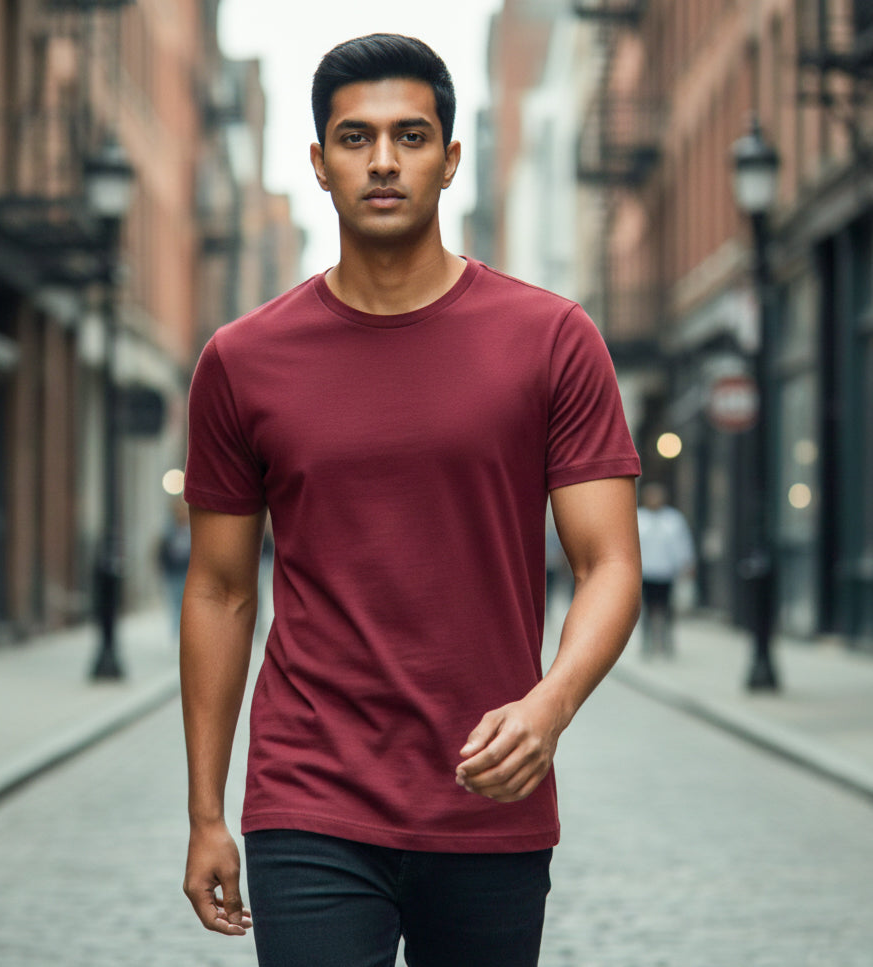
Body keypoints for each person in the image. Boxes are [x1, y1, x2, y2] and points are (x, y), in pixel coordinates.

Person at [180, 34, 642, 967]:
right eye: (354, 138)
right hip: (309, 794)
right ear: (317, 163)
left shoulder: (551, 338)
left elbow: (608, 563)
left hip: (489, 793)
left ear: (449, 158)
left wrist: (550, 706)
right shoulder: (242, 360)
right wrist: (204, 811)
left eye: (409, 135)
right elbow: (221, 590)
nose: (382, 161)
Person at [637, 482, 695, 657]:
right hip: (645, 572)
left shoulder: (673, 519)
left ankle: (666, 643)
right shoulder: (638, 518)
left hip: (666, 572)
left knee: (667, 609)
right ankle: (647, 644)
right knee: (646, 610)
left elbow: (683, 543)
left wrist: (687, 563)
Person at [157, 497, 191, 640]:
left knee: (186, 603)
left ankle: (184, 633)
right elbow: (161, 550)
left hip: (188, 571)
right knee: (176, 602)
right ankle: (177, 633)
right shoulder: (168, 530)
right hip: (173, 572)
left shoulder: (192, 529)